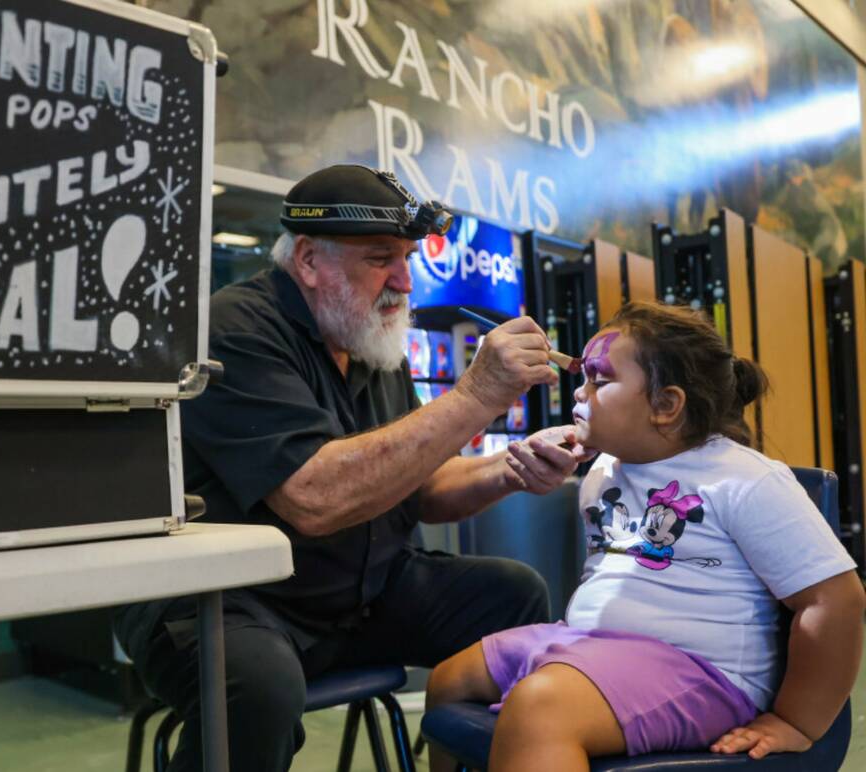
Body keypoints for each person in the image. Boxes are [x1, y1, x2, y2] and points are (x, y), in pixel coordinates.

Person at [114, 164, 587, 771]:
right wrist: (476, 395)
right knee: (258, 688)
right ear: (309, 259)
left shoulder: (366, 337)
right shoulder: (231, 331)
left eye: (409, 257)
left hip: (354, 597)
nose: (404, 282)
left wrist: (512, 469)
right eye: (380, 257)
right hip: (230, 605)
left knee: (513, 596)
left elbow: (424, 486)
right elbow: (314, 497)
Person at [425, 301, 865, 772]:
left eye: (600, 380)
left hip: (703, 675)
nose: (580, 392)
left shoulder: (745, 479)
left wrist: (798, 721)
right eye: (584, 377)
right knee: (449, 679)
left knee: (541, 708)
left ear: (665, 405)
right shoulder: (604, 470)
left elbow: (835, 601)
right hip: (593, 648)